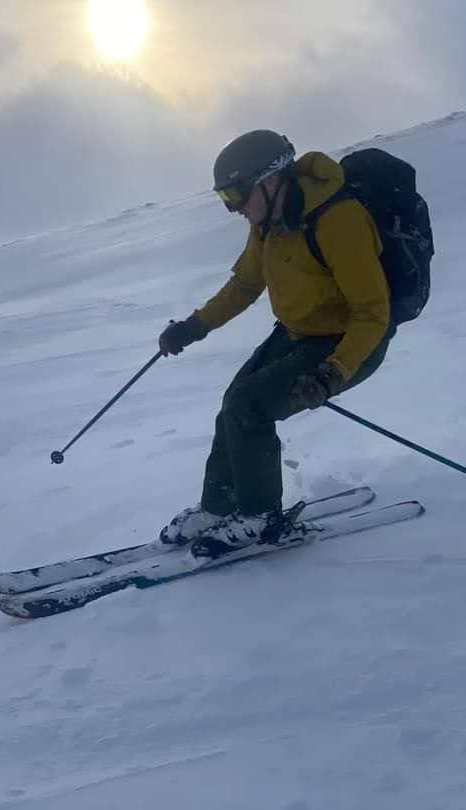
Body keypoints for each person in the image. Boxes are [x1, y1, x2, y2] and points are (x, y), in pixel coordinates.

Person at [158, 129, 395, 549]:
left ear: (269, 181)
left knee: (250, 407)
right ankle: (219, 506)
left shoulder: (338, 220)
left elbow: (374, 312)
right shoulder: (268, 222)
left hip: (351, 342)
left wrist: (332, 373)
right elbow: (245, 284)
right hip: (300, 333)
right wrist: (194, 326)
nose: (233, 208)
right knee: (234, 402)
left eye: (236, 194)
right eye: (224, 198)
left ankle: (259, 517)